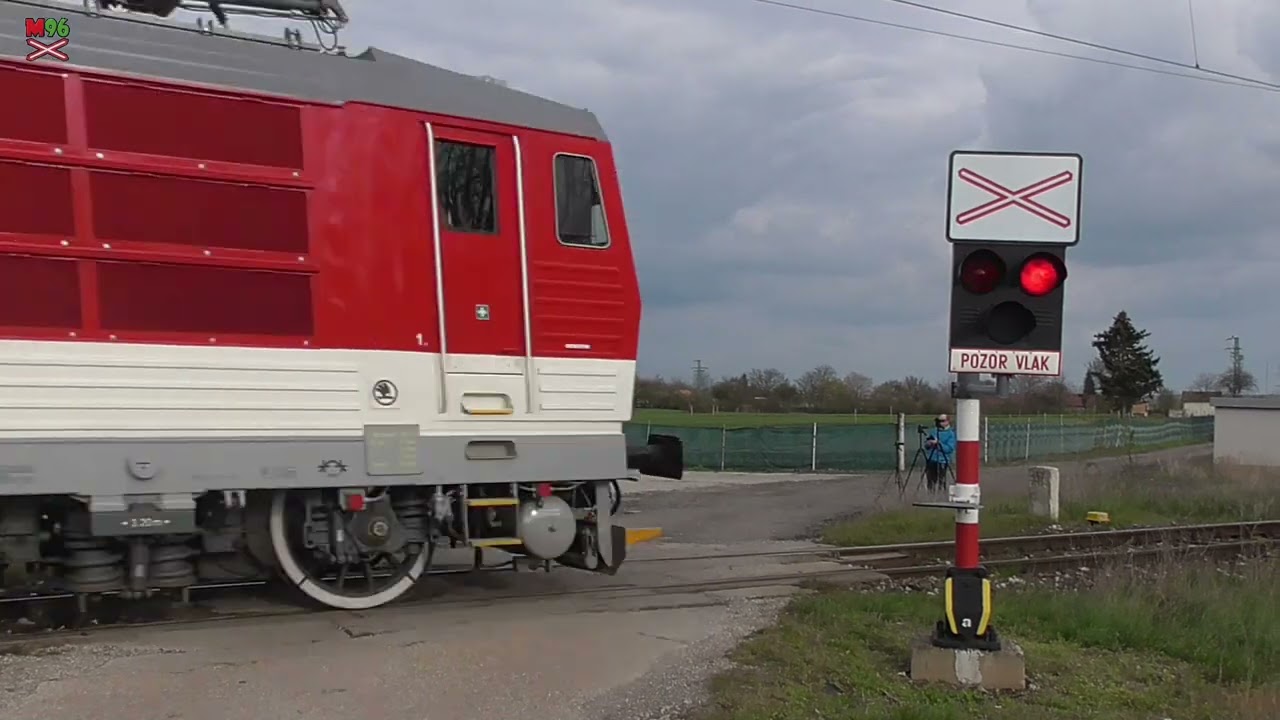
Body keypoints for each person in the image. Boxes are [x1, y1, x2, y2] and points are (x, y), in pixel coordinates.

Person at [923, 413, 955, 493]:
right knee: (930, 481)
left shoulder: (951, 434)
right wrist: (929, 443)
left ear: (947, 422)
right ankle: (930, 495)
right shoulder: (934, 431)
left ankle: (941, 495)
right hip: (931, 459)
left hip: (942, 460)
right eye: (939, 421)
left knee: (941, 480)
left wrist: (939, 444)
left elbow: (949, 449)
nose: (940, 423)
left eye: (942, 421)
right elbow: (926, 445)